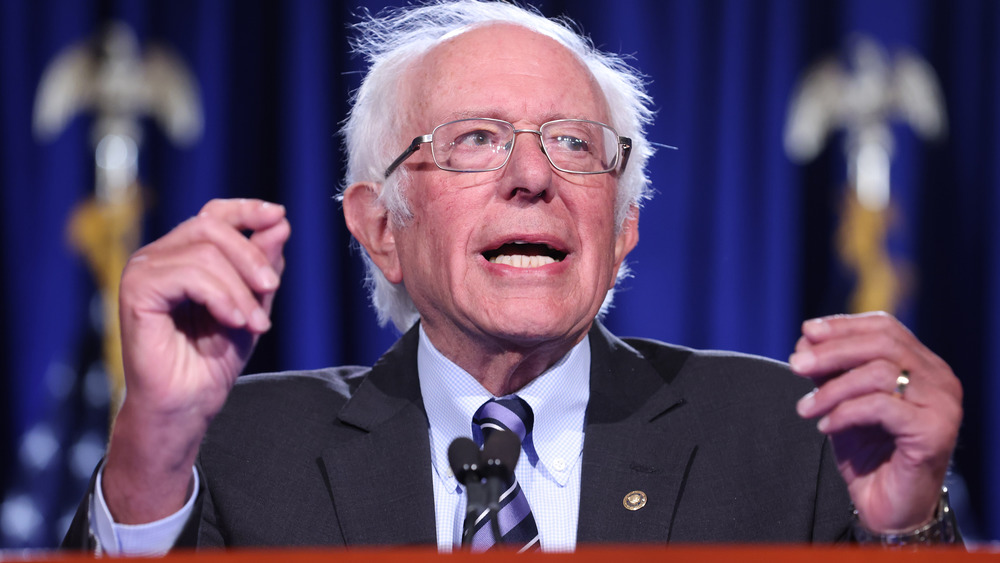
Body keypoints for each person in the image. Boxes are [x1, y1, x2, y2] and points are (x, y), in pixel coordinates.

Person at [64, 0, 962, 554]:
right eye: (475, 140)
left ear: (623, 231)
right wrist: (150, 448)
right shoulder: (236, 449)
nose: (532, 175)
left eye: (574, 144)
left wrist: (909, 526)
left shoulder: (781, 436)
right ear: (380, 227)